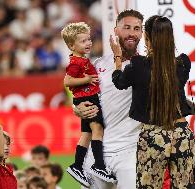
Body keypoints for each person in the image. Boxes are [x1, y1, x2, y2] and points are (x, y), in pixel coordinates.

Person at [74, 9, 195, 189]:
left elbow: (164, 96)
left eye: (137, 28)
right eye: (126, 27)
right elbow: (82, 100)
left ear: (144, 35)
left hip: (134, 148)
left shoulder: (140, 65)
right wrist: (77, 109)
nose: (132, 32)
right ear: (115, 30)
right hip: (101, 151)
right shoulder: (98, 65)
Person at [111, 15, 195, 188]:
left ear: (146, 37)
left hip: (153, 135)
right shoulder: (183, 64)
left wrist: (118, 58)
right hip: (182, 134)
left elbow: (119, 82)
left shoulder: (138, 65)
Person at [61, 22, 116, 187]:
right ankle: (99, 165)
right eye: (83, 41)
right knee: (97, 129)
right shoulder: (76, 62)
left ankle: (77, 166)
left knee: (86, 134)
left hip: (85, 98)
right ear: (71, 45)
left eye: (88, 39)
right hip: (88, 99)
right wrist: (86, 79)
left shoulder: (82, 60)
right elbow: (67, 80)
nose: (88, 43)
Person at [0, 124, 17, 189]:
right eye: (2, 144)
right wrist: (0, 129)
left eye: (8, 144)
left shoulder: (9, 170)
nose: (6, 148)